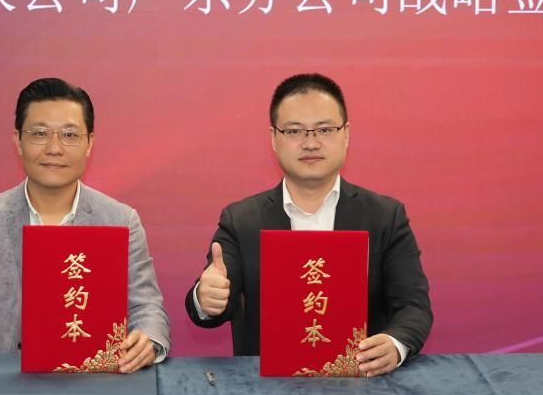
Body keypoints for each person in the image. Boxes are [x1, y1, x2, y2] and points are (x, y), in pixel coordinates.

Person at [0, 77, 169, 372]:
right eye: (40, 134)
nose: (54, 148)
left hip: (90, 384)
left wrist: (148, 339)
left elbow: (147, 306)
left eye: (69, 135)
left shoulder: (120, 220)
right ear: (18, 140)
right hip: (0, 386)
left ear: (89, 143)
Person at [184, 73, 432, 377]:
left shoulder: (385, 216)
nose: (311, 142)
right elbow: (212, 304)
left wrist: (394, 344)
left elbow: (413, 307)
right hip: (266, 390)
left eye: (325, 129)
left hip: (362, 385)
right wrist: (206, 298)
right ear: (273, 139)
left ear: (346, 134)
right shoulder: (241, 220)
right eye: (294, 131)